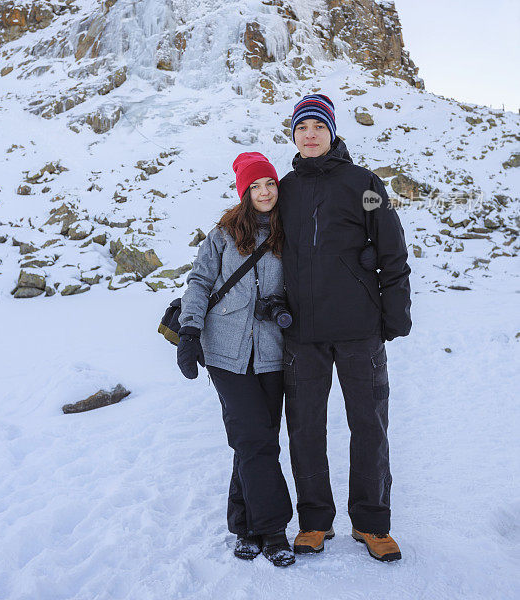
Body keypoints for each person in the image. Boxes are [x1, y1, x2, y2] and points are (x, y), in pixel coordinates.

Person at [277, 93, 412, 563]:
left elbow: (391, 248)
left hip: (359, 331)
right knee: (305, 430)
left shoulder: (366, 184)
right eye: (302, 128)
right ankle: (315, 521)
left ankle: (372, 524)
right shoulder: (284, 190)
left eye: (318, 127)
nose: (309, 134)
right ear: (293, 135)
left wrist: (394, 317)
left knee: (369, 427)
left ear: (331, 133)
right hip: (302, 335)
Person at [176, 152, 295, 567]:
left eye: (270, 184)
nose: (264, 192)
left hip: (272, 354)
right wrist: (189, 332)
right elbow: (200, 281)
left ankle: (243, 524)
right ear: (244, 192)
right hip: (225, 353)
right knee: (256, 439)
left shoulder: (289, 231)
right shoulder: (223, 235)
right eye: (255, 186)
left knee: (252, 441)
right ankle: (275, 530)